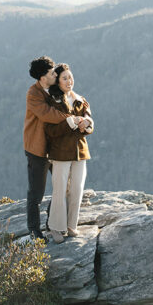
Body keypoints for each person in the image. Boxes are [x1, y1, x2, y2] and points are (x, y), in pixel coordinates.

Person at [23, 56, 86, 242]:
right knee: (36, 192)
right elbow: (47, 114)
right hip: (37, 148)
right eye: (52, 73)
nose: (55, 74)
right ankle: (34, 230)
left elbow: (73, 99)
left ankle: (53, 224)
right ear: (43, 77)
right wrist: (71, 118)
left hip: (55, 148)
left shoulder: (53, 90)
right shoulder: (34, 93)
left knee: (63, 186)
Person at [44, 63, 93, 244]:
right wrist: (70, 122)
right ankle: (56, 227)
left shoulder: (80, 99)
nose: (69, 81)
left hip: (80, 152)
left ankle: (72, 225)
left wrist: (87, 124)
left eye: (70, 77)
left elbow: (90, 120)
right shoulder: (51, 102)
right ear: (57, 81)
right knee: (59, 191)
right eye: (64, 78)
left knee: (77, 190)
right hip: (59, 153)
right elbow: (50, 130)